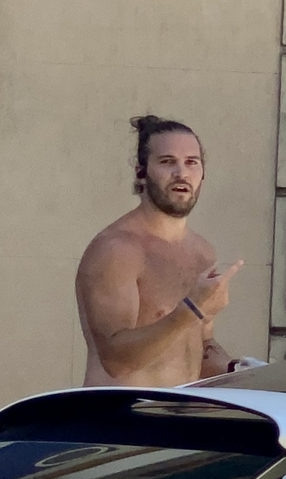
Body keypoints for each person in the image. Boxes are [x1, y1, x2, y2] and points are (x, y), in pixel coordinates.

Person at [75, 115, 242, 386]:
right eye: (167, 162)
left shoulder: (201, 251)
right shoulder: (117, 250)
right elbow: (116, 361)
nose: (181, 173)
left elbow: (197, 349)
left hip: (176, 419)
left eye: (191, 162)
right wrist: (191, 309)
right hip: (121, 419)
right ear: (142, 172)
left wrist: (240, 368)